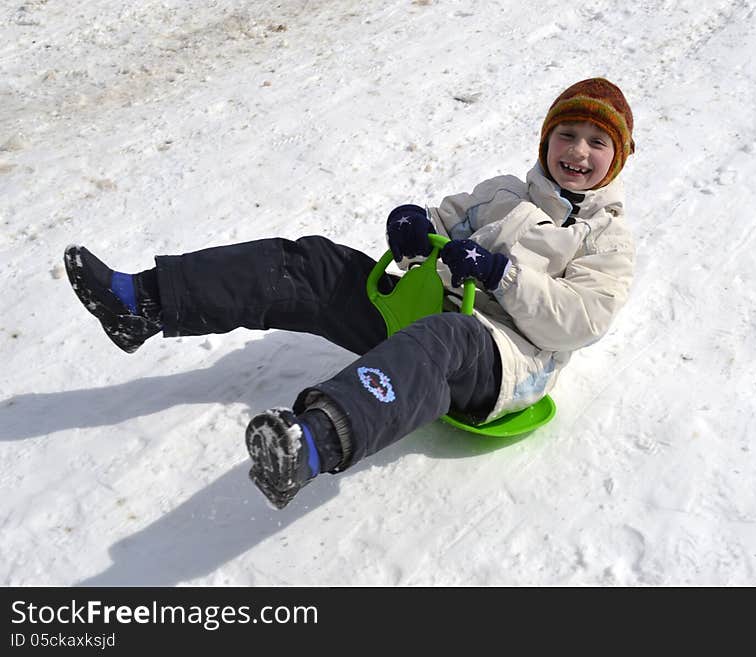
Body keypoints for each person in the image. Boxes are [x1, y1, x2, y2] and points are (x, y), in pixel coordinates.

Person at [64, 78, 636, 509]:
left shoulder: (605, 238)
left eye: (596, 142)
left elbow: (581, 320)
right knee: (315, 264)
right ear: (545, 139)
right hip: (424, 312)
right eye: (567, 134)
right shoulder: (504, 192)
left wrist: (499, 275)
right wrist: (412, 224)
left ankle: (308, 446)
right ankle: (141, 302)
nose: (578, 152)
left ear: (617, 158)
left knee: (445, 337)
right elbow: (444, 222)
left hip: (499, 362)